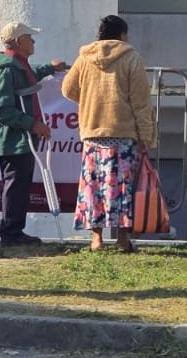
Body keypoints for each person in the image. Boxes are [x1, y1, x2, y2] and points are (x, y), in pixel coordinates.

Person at [61, 14, 156, 254]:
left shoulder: (84, 58)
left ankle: (96, 238)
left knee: (93, 186)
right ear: (123, 35)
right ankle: (122, 238)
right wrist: (146, 135)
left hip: (92, 133)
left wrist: (89, 99)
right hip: (122, 133)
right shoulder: (131, 58)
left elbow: (67, 89)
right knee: (122, 187)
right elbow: (141, 102)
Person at [0, 22, 67, 248]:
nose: (33, 41)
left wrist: (49, 68)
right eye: (29, 37)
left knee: (20, 185)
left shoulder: (19, 65)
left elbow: (29, 77)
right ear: (19, 41)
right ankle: (11, 232)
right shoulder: (7, 70)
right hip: (13, 139)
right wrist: (33, 124)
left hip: (21, 139)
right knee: (15, 184)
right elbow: (2, 109)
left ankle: (13, 229)